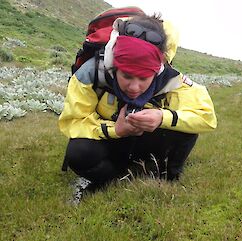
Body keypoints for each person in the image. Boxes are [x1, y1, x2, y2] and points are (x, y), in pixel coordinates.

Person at [58, 13, 217, 189]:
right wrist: (116, 130)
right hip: (109, 141)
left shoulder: (173, 81)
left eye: (144, 78)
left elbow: (207, 118)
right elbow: (73, 122)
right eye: (126, 75)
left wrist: (161, 117)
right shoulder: (90, 74)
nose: (134, 87)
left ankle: (167, 177)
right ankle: (114, 179)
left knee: (186, 129)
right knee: (78, 152)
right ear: (114, 65)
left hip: (146, 141)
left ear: (157, 69)